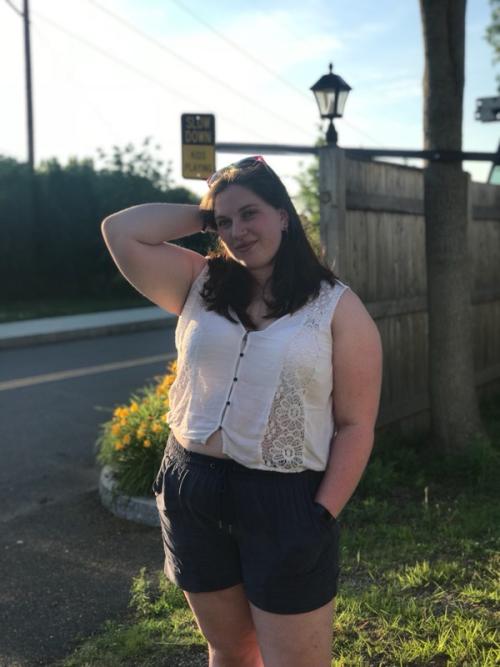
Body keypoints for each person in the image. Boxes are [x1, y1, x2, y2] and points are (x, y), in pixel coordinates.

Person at [101, 155, 383, 667]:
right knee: (230, 652)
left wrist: (320, 515)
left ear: (283, 214)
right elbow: (121, 231)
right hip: (193, 489)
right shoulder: (200, 282)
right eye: (224, 222)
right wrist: (207, 210)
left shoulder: (337, 308)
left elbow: (356, 424)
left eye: (250, 214)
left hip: (285, 499)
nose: (237, 231)